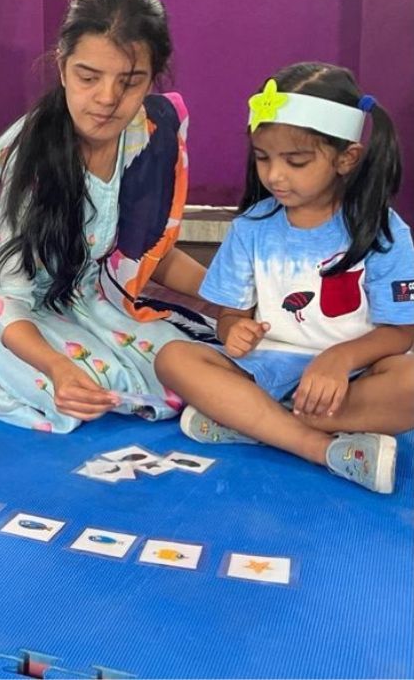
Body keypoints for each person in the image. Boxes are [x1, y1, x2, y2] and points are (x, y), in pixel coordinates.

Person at [0, 0, 213, 433]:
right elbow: (6, 296)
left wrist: (232, 303)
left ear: (153, 76)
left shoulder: (154, 131)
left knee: (196, 355)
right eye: (88, 77)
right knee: (100, 385)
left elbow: (149, 251)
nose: (107, 99)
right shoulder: (25, 158)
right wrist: (57, 368)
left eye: (130, 81)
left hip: (78, 291)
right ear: (62, 67)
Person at [156, 65, 414, 494]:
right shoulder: (252, 228)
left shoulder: (383, 230)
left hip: (351, 379)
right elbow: (230, 314)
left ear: (346, 158)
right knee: (173, 358)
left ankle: (250, 420)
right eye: (263, 157)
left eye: (296, 161)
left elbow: (402, 332)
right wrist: (232, 329)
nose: (275, 175)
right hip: (266, 370)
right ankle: (322, 448)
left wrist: (340, 359)